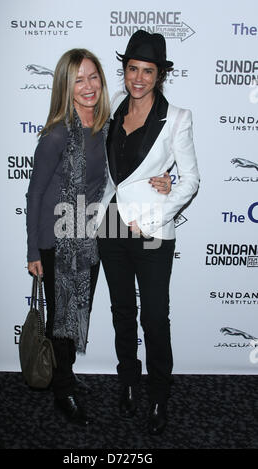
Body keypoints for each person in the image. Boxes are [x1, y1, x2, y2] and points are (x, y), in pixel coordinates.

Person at [26, 47, 171, 427]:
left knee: (78, 315)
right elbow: (35, 194)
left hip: (91, 235)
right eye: (78, 79)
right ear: (65, 86)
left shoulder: (107, 126)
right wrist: (33, 250)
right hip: (57, 238)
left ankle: (68, 374)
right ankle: (63, 391)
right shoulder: (57, 135)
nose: (88, 86)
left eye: (93, 77)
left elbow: (131, 169)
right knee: (61, 320)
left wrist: (166, 179)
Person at [97, 30, 200, 435]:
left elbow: (190, 180)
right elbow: (109, 175)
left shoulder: (176, 118)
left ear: (160, 75)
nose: (139, 78)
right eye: (133, 69)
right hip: (109, 225)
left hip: (152, 231)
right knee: (122, 311)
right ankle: (127, 383)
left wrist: (159, 212)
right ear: (124, 70)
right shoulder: (111, 114)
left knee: (155, 316)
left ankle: (159, 393)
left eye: (148, 71)